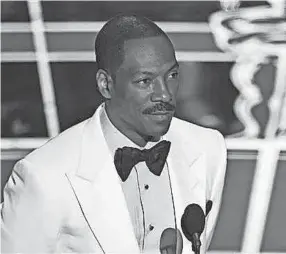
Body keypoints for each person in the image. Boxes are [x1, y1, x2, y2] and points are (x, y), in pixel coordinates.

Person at [1, 15, 227, 254]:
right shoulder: (43, 176)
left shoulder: (207, 148)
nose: (164, 95)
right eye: (144, 81)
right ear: (106, 85)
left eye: (171, 76)